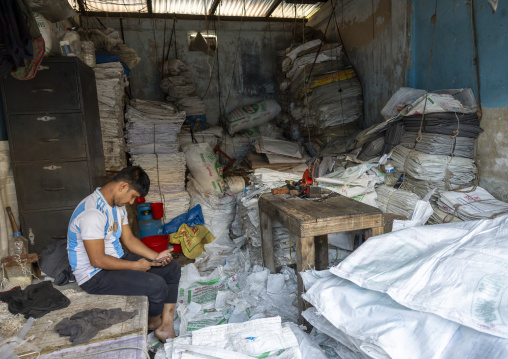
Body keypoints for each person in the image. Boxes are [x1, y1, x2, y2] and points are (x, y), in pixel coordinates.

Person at [67, 166, 180, 341]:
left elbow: (129, 240)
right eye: (133, 196)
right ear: (122, 186)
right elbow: (97, 260)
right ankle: (153, 323)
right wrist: (136, 266)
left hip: (116, 260)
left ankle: (166, 325)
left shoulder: (117, 205)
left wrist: (155, 257)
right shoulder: (92, 213)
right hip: (94, 276)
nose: (133, 202)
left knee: (172, 268)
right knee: (157, 286)